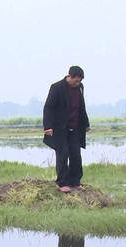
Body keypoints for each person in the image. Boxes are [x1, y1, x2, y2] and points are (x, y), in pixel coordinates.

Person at [42, 65, 91, 193]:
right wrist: (47, 127)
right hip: (60, 128)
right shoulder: (57, 88)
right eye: (76, 80)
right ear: (70, 76)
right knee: (63, 153)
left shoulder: (80, 88)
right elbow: (48, 107)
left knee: (76, 154)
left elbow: (82, 106)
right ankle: (62, 183)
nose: (78, 83)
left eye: (80, 81)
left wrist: (85, 123)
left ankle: (75, 181)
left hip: (75, 127)